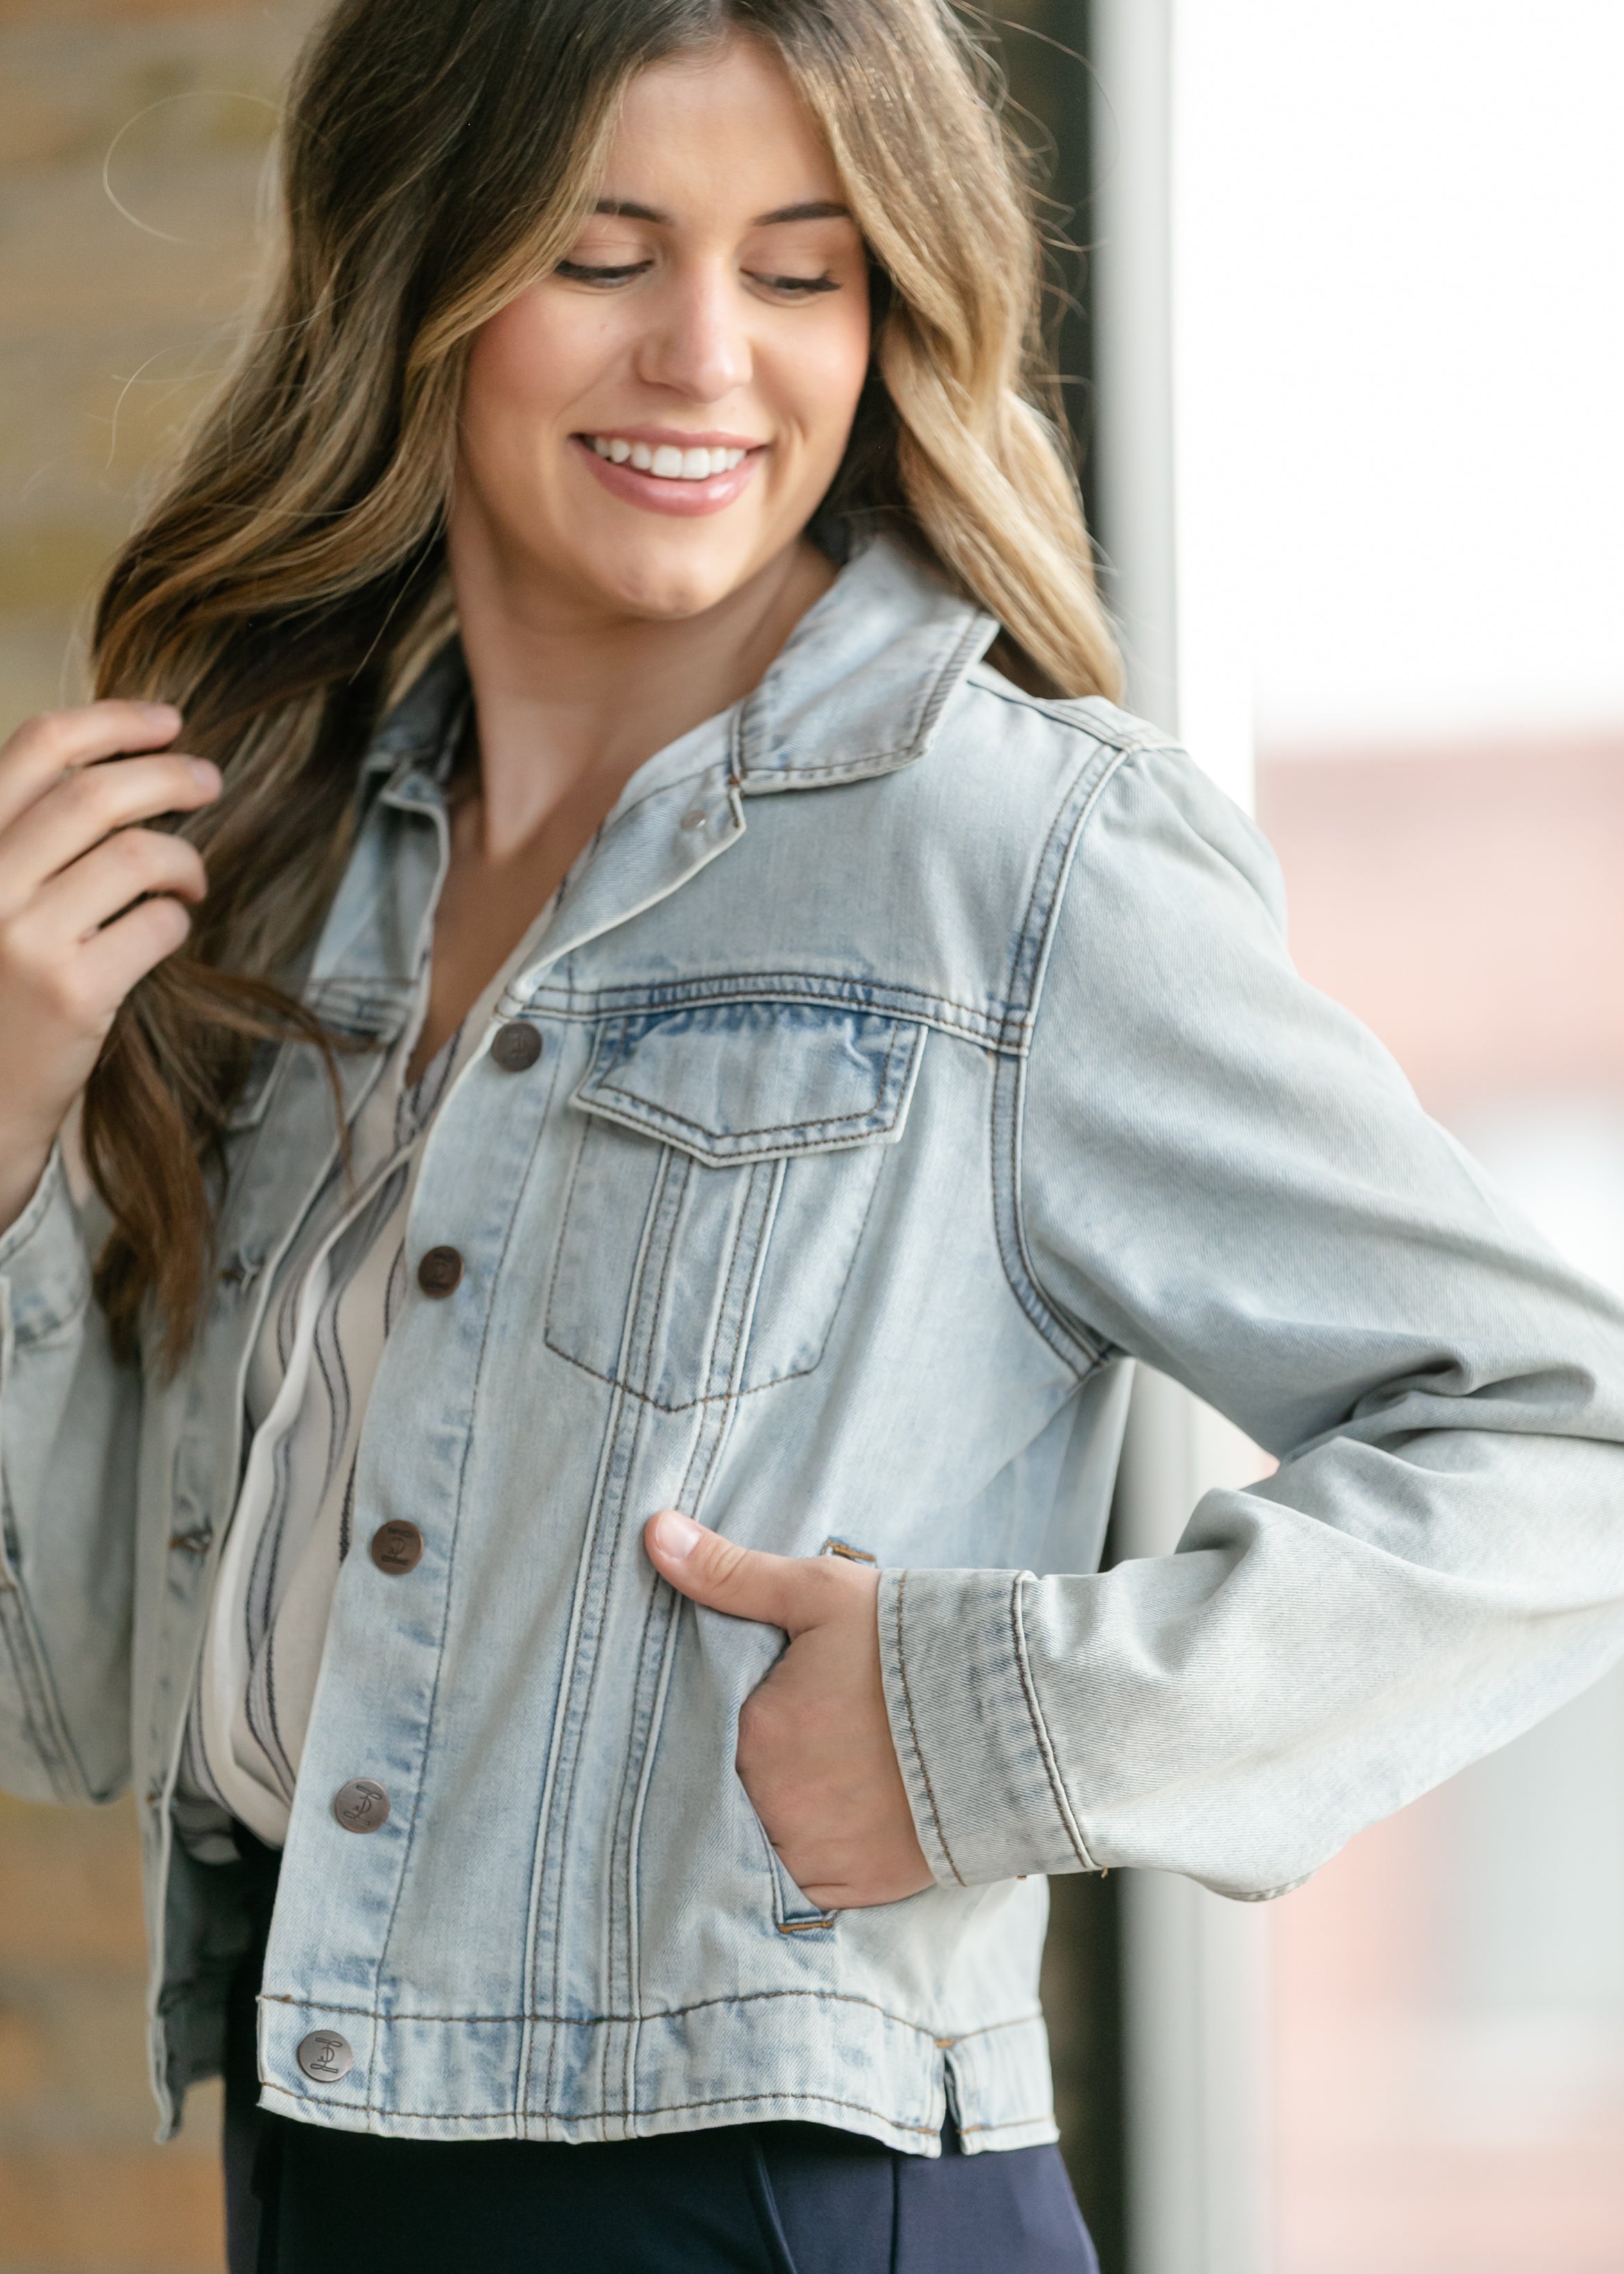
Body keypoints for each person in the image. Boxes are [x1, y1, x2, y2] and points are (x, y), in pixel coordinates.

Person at [1, 0, 1621, 2266]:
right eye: (601, 256)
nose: (704, 355)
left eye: (798, 270)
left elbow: (1564, 1441)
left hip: (782, 2206)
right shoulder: (273, 882)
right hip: (324, 2178)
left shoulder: (1014, 856)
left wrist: (994, 1726)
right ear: (415, 280)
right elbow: (71, 1688)